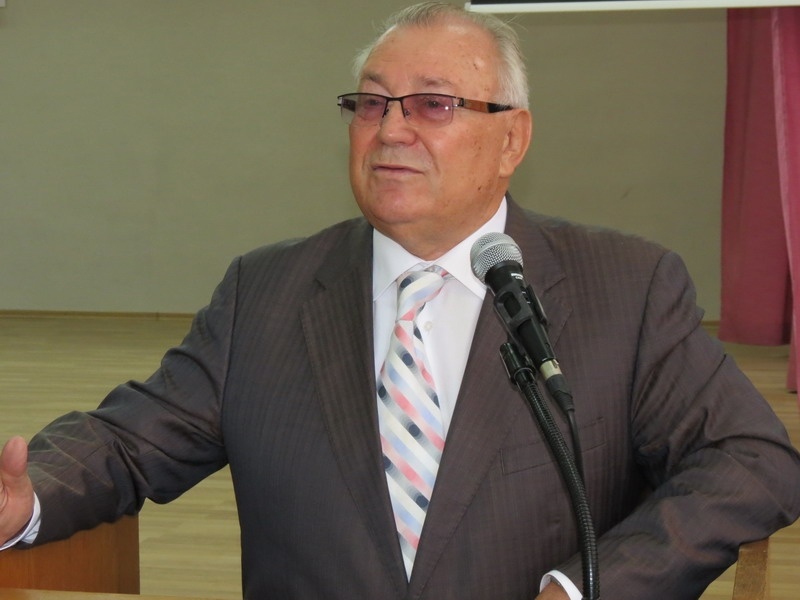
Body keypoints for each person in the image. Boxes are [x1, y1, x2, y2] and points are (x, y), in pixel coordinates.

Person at [1, 3, 799, 598]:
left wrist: (588, 587)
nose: (390, 130)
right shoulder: (265, 292)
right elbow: (128, 441)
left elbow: (753, 461)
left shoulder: (624, 287)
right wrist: (28, 492)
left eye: (434, 105)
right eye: (372, 103)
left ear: (512, 139)